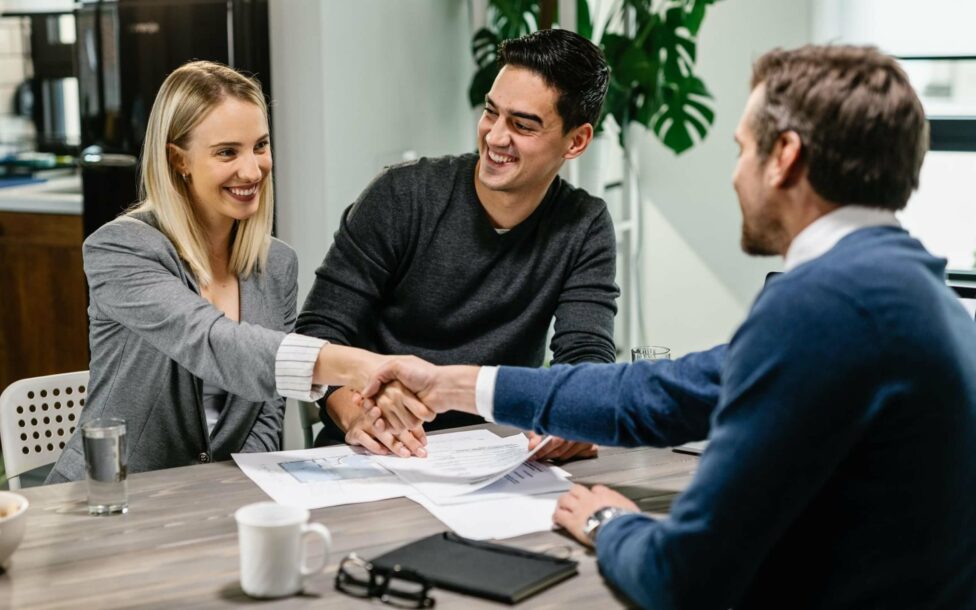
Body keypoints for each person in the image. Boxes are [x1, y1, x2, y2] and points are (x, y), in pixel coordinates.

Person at [361, 45, 976, 609]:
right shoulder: (913, 294)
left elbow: (683, 578)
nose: (736, 175)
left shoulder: (823, 307)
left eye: (742, 150)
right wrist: (457, 385)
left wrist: (609, 522)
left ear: (784, 157)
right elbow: (665, 393)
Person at [47, 61, 403, 482]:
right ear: (177, 159)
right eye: (227, 152)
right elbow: (212, 342)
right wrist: (357, 364)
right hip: (112, 498)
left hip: (216, 504)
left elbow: (267, 415)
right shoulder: (121, 248)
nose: (252, 170)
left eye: (260, 146)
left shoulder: (277, 265)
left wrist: (226, 494)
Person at [294, 29, 620, 460]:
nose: (495, 137)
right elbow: (318, 335)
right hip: (374, 454)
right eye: (491, 112)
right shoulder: (401, 196)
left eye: (522, 125)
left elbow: (585, 352)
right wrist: (354, 413)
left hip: (498, 458)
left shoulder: (584, 224)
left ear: (575, 141)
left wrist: (573, 415)